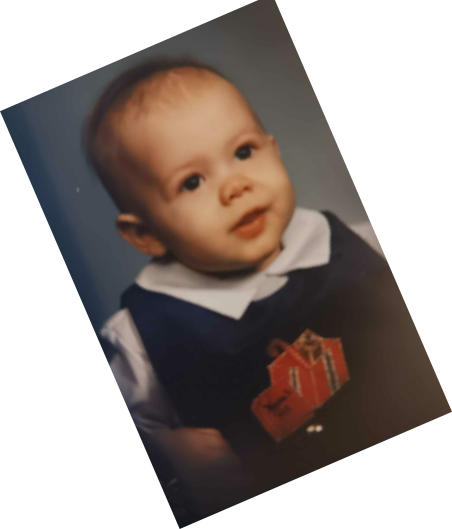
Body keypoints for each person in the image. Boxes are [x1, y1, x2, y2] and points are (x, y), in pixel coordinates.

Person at [83, 58, 450, 526]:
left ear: (274, 150)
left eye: (244, 152)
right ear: (145, 235)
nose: (236, 185)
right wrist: (172, 459)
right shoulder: (141, 337)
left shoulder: (364, 244)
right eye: (192, 182)